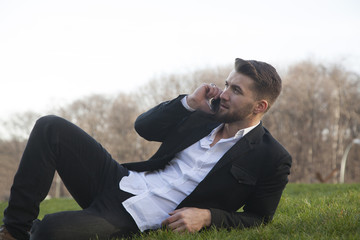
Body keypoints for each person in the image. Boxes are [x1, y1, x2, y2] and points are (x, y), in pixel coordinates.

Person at [0, 58, 292, 240]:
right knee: (51, 126)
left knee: (51, 230)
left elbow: (258, 218)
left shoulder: (272, 157)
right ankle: (14, 230)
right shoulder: (203, 113)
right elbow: (144, 127)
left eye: (236, 91)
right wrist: (188, 103)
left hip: (136, 215)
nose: (224, 94)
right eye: (227, 84)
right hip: (119, 179)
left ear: (260, 106)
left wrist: (207, 217)